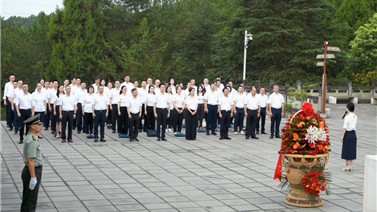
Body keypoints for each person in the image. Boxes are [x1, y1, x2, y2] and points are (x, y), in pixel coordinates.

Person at [20, 114, 43, 212]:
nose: (41, 125)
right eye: (38, 124)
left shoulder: (31, 137)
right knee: (31, 201)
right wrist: (33, 178)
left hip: (30, 170)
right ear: (32, 126)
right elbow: (30, 160)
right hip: (33, 171)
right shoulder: (32, 140)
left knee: (27, 198)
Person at [341, 102, 357, 171]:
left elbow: (345, 127)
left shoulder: (347, 117)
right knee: (352, 149)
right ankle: (351, 166)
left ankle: (346, 166)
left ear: (347, 109)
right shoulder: (355, 116)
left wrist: (342, 136)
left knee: (347, 150)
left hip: (348, 133)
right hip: (353, 133)